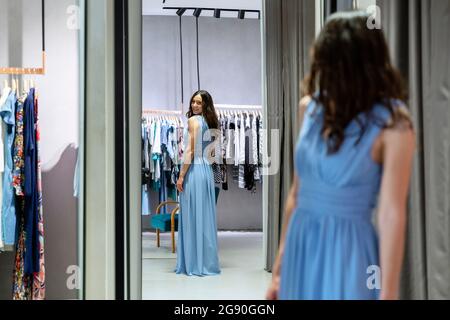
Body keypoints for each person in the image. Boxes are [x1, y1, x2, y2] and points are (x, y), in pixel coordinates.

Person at [266, 12, 416, 300]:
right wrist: (279, 270)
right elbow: (296, 195)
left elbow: (391, 214)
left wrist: (389, 293)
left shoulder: (394, 125)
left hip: (350, 252)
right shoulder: (308, 109)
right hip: (302, 245)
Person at [175, 90, 221, 276]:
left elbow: (190, 151)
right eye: (193, 102)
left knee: (192, 216)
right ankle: (205, 262)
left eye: (199, 103)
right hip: (206, 172)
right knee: (204, 217)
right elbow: (212, 153)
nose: (194, 105)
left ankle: (194, 264)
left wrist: (181, 176)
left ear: (205, 106)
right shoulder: (210, 122)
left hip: (194, 171)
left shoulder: (193, 121)